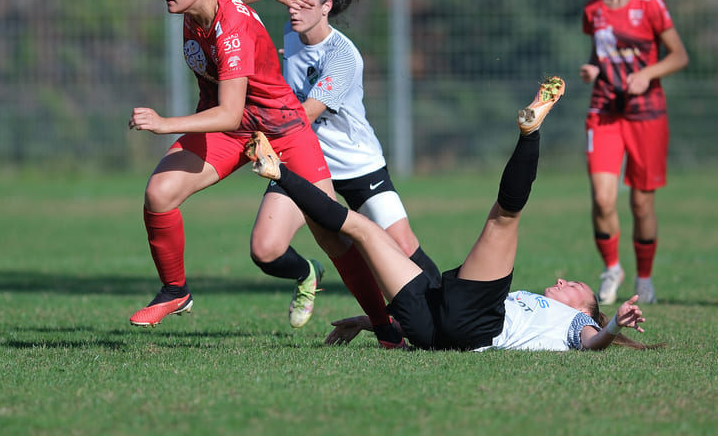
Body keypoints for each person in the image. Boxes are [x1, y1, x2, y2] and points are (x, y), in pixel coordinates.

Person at [128, 0, 395, 341]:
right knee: (160, 192)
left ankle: (386, 327)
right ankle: (174, 290)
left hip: (281, 131)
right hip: (231, 132)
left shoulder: (228, 28)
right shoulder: (195, 11)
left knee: (332, 233)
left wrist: (164, 125)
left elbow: (231, 112)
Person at [245, 77, 658, 351]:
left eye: (575, 286)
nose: (563, 281)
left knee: (504, 217)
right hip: (432, 330)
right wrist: (369, 321)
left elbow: (592, 343)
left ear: (584, 308)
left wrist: (613, 326)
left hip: (472, 321)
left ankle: (530, 134)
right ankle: (278, 172)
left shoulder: (572, 323)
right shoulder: (536, 305)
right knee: (366, 230)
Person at [233, 0, 440, 337]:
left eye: (304, 3)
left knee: (402, 244)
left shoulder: (343, 56)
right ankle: (309, 274)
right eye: (289, 1)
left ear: (327, 7)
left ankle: (446, 316)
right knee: (265, 249)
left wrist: (245, 118)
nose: (294, 10)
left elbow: (300, 118)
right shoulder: (289, 34)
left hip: (357, 165)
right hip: (304, 161)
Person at [580, 0, 689, 305]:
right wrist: (592, 70)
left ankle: (644, 278)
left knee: (642, 203)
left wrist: (648, 74)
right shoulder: (594, 9)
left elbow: (679, 56)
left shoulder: (651, 3)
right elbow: (600, 55)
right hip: (605, 111)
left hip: (647, 114)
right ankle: (612, 268)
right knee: (602, 198)